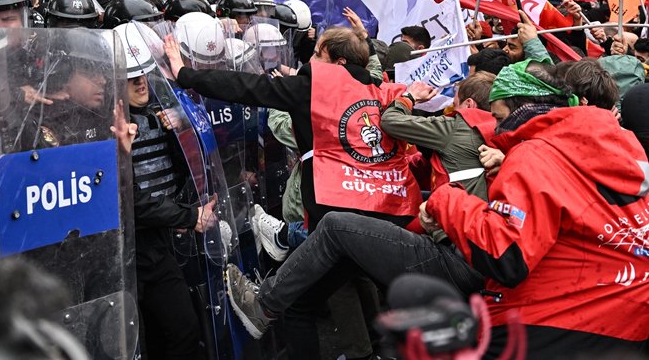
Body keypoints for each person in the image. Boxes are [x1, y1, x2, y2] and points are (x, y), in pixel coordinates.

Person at [225, 58, 649, 359]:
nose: (494, 127)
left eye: (497, 115)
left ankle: (263, 305)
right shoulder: (610, 147)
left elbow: (505, 254)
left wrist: (443, 199)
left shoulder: (522, 148)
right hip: (601, 316)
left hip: (488, 279)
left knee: (337, 226)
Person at [163, 26, 422, 359]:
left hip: (337, 216)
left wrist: (185, 74)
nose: (309, 62)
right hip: (390, 215)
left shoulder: (314, 88)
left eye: (317, 55)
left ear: (338, 62)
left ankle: (272, 288)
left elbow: (247, 88)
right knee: (355, 286)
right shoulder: (385, 90)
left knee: (300, 304)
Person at [114, 23, 207, 359]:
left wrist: (176, 135)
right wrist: (188, 216)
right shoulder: (106, 128)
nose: (141, 83)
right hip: (126, 248)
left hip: (161, 243)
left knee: (184, 330)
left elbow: (180, 176)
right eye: (131, 77)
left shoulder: (159, 119)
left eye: (144, 74)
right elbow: (129, 200)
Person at [381, 71, 498, 201]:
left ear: (469, 104)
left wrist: (409, 97)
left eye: (455, 105)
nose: (451, 110)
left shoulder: (455, 128)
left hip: (456, 213)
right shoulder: (506, 131)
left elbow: (390, 121)